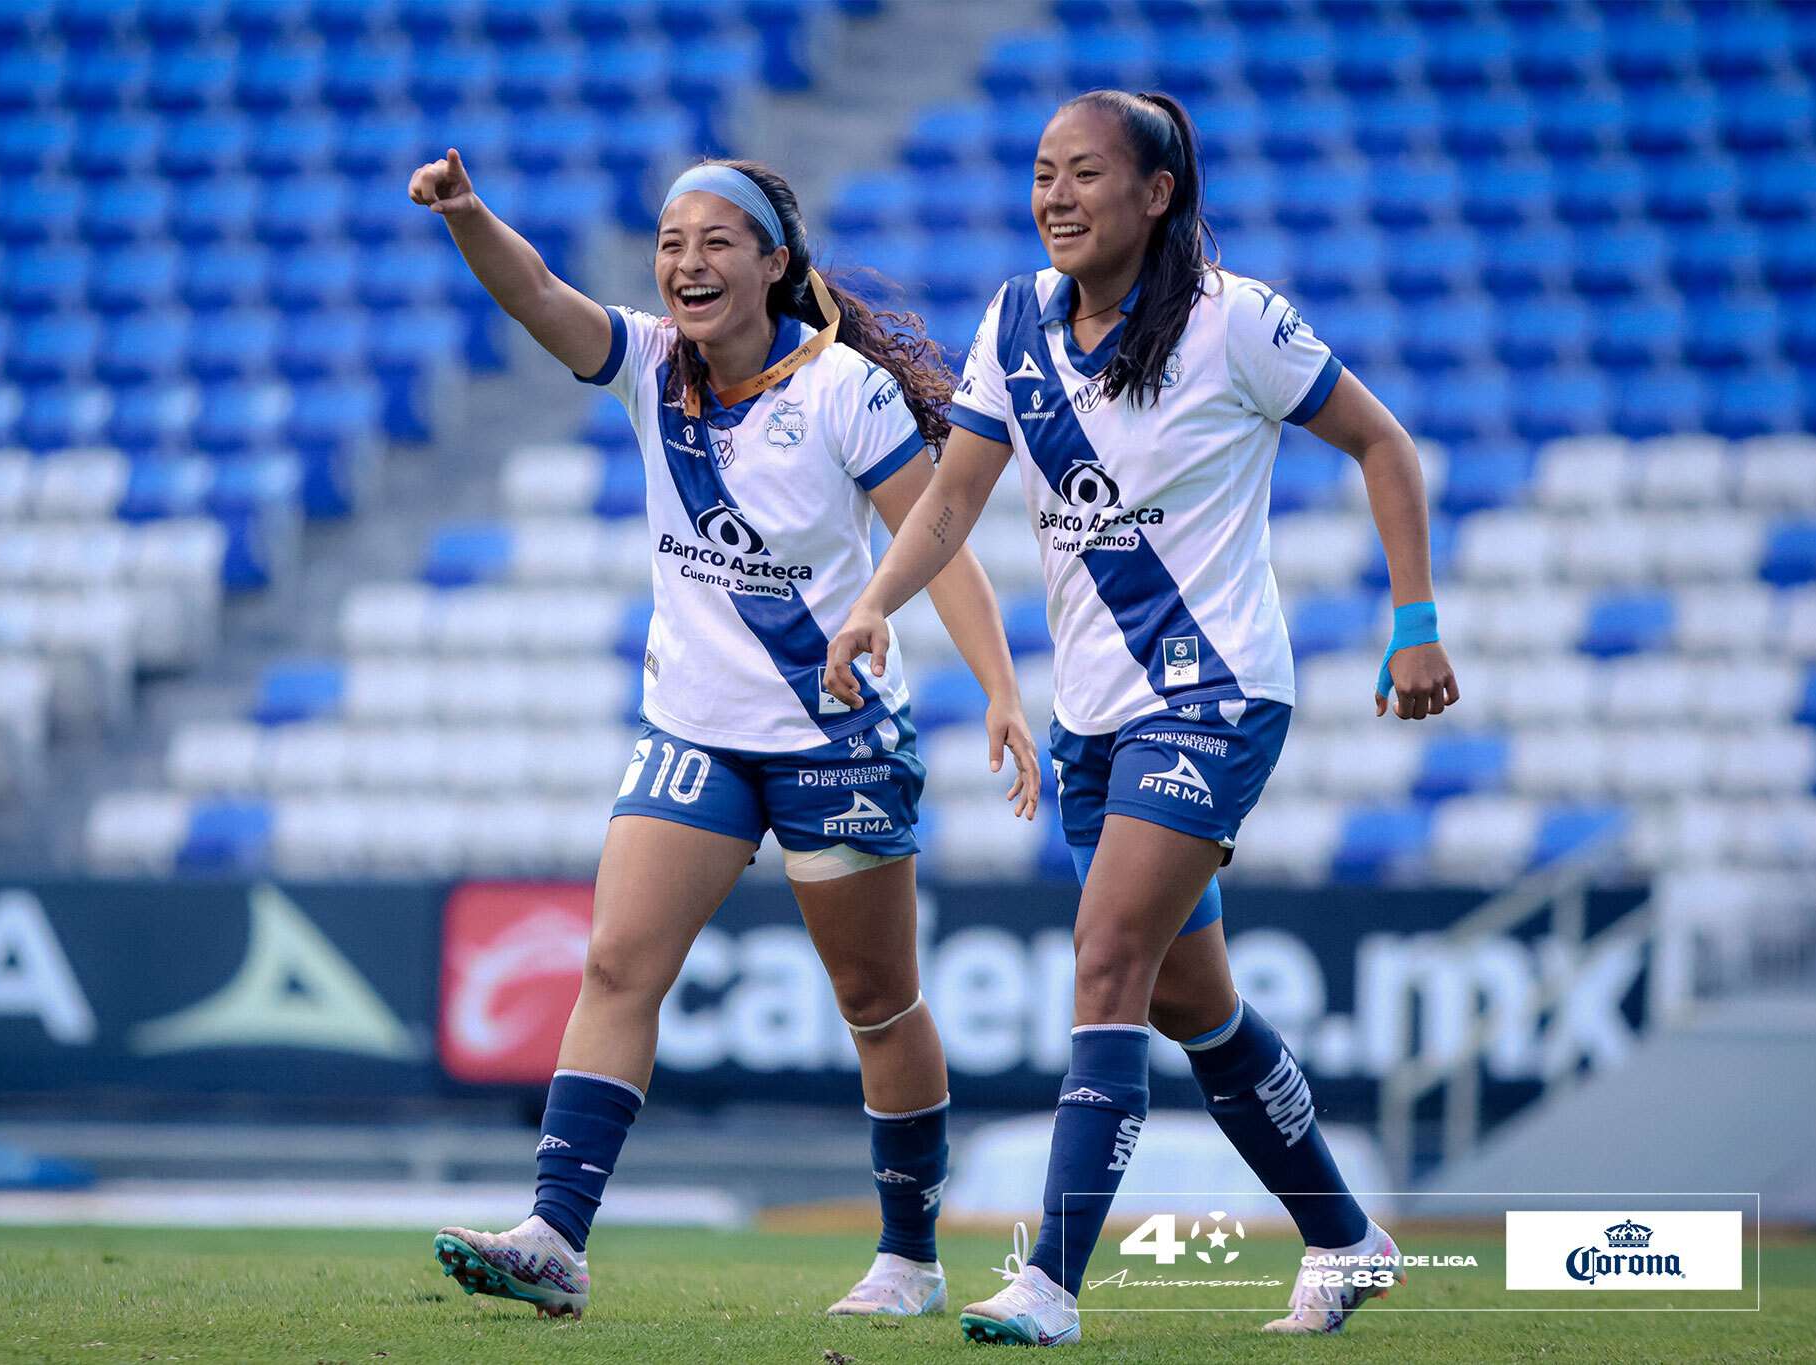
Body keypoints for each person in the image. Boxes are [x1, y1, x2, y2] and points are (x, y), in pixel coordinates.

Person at [825, 90, 1461, 1345]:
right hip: (1095, 718)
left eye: (1082, 175)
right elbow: (949, 504)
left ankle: (1050, 1281)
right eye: (1040, 174)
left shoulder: (1240, 323)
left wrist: (1411, 620)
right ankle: (1346, 1240)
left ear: (1155, 193)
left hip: (1216, 697)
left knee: (1105, 957)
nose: (1053, 197)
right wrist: (870, 607)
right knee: (1189, 1005)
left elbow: (1384, 447)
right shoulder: (1012, 320)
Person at [408, 149, 1040, 1321]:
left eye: (712, 243)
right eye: (668, 243)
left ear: (772, 265)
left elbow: (939, 540)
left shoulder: (843, 390)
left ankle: (907, 1257)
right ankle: (555, 1235)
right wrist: (467, 216)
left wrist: (1000, 691)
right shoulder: (650, 361)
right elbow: (541, 295)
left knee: (876, 1003)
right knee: (614, 964)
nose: (684, 264)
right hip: (691, 731)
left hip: (834, 743)